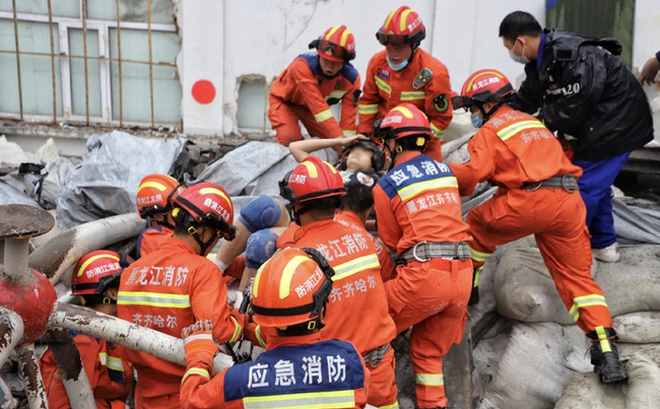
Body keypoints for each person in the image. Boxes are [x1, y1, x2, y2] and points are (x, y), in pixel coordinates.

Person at [450, 69, 627, 384]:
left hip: (530, 202)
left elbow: (472, 176)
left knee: (476, 222)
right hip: (569, 200)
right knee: (577, 280)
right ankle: (605, 350)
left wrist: (440, 172)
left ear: (487, 104)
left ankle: (469, 287)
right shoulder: (532, 122)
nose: (473, 115)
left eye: (474, 108)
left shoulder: (491, 132)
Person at [499, 11, 654, 263]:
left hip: (618, 124)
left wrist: (539, 123)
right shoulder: (540, 61)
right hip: (597, 125)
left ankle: (570, 252)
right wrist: (501, 117)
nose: (511, 53)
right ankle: (605, 244)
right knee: (596, 185)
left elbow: (579, 101)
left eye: (509, 47)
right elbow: (527, 97)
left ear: (521, 42)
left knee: (581, 189)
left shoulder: (573, 54)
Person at [179, 248, 370, 409]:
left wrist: (199, 355)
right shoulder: (350, 362)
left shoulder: (240, 380)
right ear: (319, 310)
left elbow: (192, 401)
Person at [372, 103, 472, 409]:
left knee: (367, 330)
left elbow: (391, 242)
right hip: (462, 277)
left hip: (424, 278)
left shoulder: (386, 185)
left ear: (392, 141)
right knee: (428, 353)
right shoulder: (444, 172)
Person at [278, 156, 399, 409]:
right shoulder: (363, 238)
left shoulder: (299, 256)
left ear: (297, 206)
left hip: (336, 375)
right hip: (379, 369)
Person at [117, 182, 244, 409]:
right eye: (218, 236)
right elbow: (220, 331)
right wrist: (239, 318)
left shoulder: (132, 272)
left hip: (144, 396)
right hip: (187, 393)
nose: (216, 243)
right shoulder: (202, 270)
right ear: (204, 230)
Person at [358, 6, 453, 162]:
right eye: (389, 47)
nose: (394, 53)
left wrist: (419, 144)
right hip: (383, 142)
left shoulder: (435, 74)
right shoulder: (377, 63)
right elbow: (369, 101)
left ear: (414, 44)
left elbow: (441, 119)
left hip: (421, 147)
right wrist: (365, 135)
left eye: (400, 47)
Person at [40, 250, 133, 409]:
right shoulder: (82, 341)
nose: (135, 288)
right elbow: (78, 402)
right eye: (128, 283)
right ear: (112, 293)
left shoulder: (108, 330)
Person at [268, 25, 361, 146]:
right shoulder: (302, 66)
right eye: (325, 59)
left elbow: (348, 120)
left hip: (310, 110)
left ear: (345, 62)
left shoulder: (352, 80)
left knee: (335, 147)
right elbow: (318, 105)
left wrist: (346, 147)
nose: (329, 65)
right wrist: (340, 138)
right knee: (289, 138)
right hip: (284, 101)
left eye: (334, 62)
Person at [288, 135, 388, 178]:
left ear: (376, 163)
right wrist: (340, 141)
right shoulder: (330, 174)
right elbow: (295, 147)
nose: (357, 152)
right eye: (353, 149)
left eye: (366, 151)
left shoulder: (377, 184)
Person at [135, 174, 182, 258]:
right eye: (177, 209)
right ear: (159, 216)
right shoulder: (153, 239)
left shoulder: (176, 229)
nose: (185, 211)